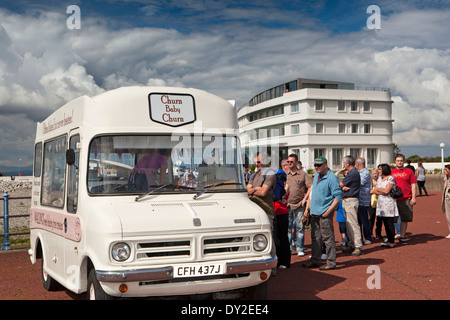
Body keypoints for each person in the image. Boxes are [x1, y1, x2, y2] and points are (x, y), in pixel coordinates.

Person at [303, 156, 341, 270]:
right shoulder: (316, 176)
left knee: (328, 239)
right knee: (315, 238)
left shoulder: (332, 178)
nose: (316, 167)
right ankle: (315, 260)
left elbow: (338, 197)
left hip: (324, 213)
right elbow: (312, 193)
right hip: (314, 213)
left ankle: (331, 262)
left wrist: (328, 211)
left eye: (319, 165)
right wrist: (308, 208)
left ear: (325, 165)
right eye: (315, 165)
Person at [247, 152, 277, 256]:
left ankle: (272, 265)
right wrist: (256, 188)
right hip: (254, 211)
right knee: (255, 238)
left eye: (258, 162)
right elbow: (247, 190)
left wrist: (252, 190)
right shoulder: (255, 175)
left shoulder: (270, 174)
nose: (256, 164)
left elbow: (264, 192)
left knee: (268, 237)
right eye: (255, 162)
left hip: (266, 211)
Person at [285, 153, 312, 257]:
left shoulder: (303, 174)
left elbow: (310, 186)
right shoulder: (285, 174)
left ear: (296, 162)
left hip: (299, 205)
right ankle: (289, 249)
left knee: (300, 228)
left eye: (291, 161)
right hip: (287, 205)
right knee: (288, 228)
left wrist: (305, 199)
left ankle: (300, 248)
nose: (289, 163)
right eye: (288, 161)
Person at [370, 164, 399, 248]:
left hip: (388, 203)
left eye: (380, 169)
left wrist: (378, 190)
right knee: (385, 223)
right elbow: (375, 191)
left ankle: (391, 241)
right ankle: (389, 239)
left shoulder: (390, 178)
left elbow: (386, 191)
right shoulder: (380, 179)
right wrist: (379, 190)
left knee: (389, 222)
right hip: (381, 203)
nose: (378, 171)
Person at [339, 155, 363, 256]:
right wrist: (343, 187)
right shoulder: (352, 172)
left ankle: (358, 246)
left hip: (351, 200)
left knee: (353, 224)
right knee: (349, 224)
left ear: (347, 163)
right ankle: (353, 244)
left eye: (344, 163)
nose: (343, 164)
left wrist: (342, 186)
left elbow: (340, 184)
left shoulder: (352, 173)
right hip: (347, 200)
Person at [391, 154, 417, 244]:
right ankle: (392, 235)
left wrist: (413, 197)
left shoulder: (409, 171)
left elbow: (413, 184)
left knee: (405, 219)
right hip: (394, 199)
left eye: (401, 160)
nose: (400, 162)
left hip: (406, 198)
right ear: (395, 161)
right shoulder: (392, 172)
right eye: (398, 160)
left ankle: (402, 235)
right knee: (392, 218)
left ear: (404, 161)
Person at [273, 159, 291, 268]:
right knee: (275, 238)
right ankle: (277, 260)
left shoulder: (285, 186)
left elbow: (281, 197)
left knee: (282, 238)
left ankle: (285, 261)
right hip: (274, 212)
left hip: (282, 212)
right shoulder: (275, 186)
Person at [355, 157, 373, 245]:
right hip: (359, 199)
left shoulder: (365, 173)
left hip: (363, 200)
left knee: (364, 219)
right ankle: (360, 238)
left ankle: (368, 237)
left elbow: (359, 184)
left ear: (358, 164)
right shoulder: (359, 172)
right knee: (358, 220)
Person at [368, 167, 383, 239]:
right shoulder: (370, 182)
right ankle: (370, 233)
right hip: (371, 202)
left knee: (379, 219)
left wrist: (374, 191)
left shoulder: (380, 181)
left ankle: (378, 233)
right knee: (371, 218)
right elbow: (369, 191)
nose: (375, 175)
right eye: (373, 173)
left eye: (376, 173)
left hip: (380, 202)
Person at [442, 164, 450, 239]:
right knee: (448, 215)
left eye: (446, 170)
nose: (444, 171)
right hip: (447, 197)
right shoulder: (445, 177)